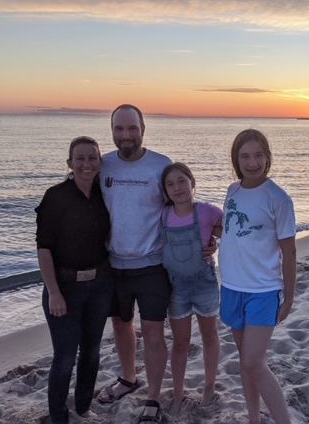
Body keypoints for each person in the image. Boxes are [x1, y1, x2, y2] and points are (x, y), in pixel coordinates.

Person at [96, 104, 172, 423]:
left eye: (131, 128)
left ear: (143, 129)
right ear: (112, 131)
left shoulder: (161, 165)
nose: (125, 135)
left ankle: (153, 397)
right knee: (121, 324)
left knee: (153, 333)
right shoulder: (102, 165)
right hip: (113, 266)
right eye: (119, 129)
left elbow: (180, 207)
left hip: (153, 265)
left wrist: (207, 239)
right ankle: (129, 378)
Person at [218, 129, 297, 424]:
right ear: (236, 160)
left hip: (263, 290)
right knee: (246, 363)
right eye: (245, 156)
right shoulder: (232, 191)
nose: (252, 163)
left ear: (267, 157)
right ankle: (254, 418)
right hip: (231, 286)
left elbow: (289, 252)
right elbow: (232, 231)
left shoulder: (278, 198)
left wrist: (289, 296)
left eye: (258, 155)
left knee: (254, 362)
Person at [35, 136, 114, 424]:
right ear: (69, 163)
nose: (86, 164)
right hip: (64, 287)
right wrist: (53, 292)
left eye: (92, 157)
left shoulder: (105, 195)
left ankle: (82, 408)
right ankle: (59, 417)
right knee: (65, 357)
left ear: (100, 161)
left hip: (101, 284)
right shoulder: (55, 196)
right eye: (79, 158)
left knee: (92, 352)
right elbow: (44, 248)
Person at [160, 162, 223, 414]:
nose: (177, 188)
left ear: (192, 183)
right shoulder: (163, 214)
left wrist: (215, 241)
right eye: (170, 184)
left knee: (210, 336)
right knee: (180, 342)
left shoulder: (206, 211)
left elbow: (229, 226)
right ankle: (177, 393)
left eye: (182, 181)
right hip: (176, 288)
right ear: (165, 190)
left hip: (204, 282)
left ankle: (209, 387)